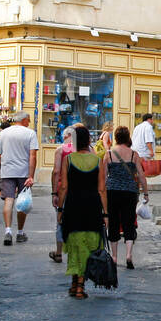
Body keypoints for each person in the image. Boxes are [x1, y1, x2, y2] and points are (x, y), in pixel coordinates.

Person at [58, 125, 107, 299]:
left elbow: (63, 186)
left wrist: (60, 208)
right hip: (92, 207)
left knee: (74, 243)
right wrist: (106, 214)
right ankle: (80, 285)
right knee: (88, 244)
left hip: (73, 206)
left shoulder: (68, 160)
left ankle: (74, 283)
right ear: (89, 141)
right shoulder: (97, 161)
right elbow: (102, 189)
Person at [103, 125, 149, 270]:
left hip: (112, 192)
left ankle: (115, 257)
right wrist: (146, 192)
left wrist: (101, 194)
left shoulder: (109, 154)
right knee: (129, 222)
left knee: (114, 222)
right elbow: (141, 175)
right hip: (129, 192)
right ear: (128, 137)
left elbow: (103, 177)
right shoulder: (134, 154)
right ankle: (129, 255)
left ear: (115, 137)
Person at [0, 112, 39, 246]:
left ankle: (8, 231)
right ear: (24, 120)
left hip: (7, 171)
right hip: (23, 172)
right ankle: (20, 232)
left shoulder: (4, 133)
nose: (29, 123)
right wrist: (31, 175)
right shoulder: (30, 134)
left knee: (9, 200)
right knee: (22, 202)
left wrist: (3, 164)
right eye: (29, 120)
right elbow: (33, 156)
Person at [49, 123, 81, 264]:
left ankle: (59, 252)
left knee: (61, 220)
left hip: (64, 190)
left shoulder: (61, 150)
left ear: (68, 136)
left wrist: (54, 193)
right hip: (81, 191)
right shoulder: (86, 150)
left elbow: (56, 172)